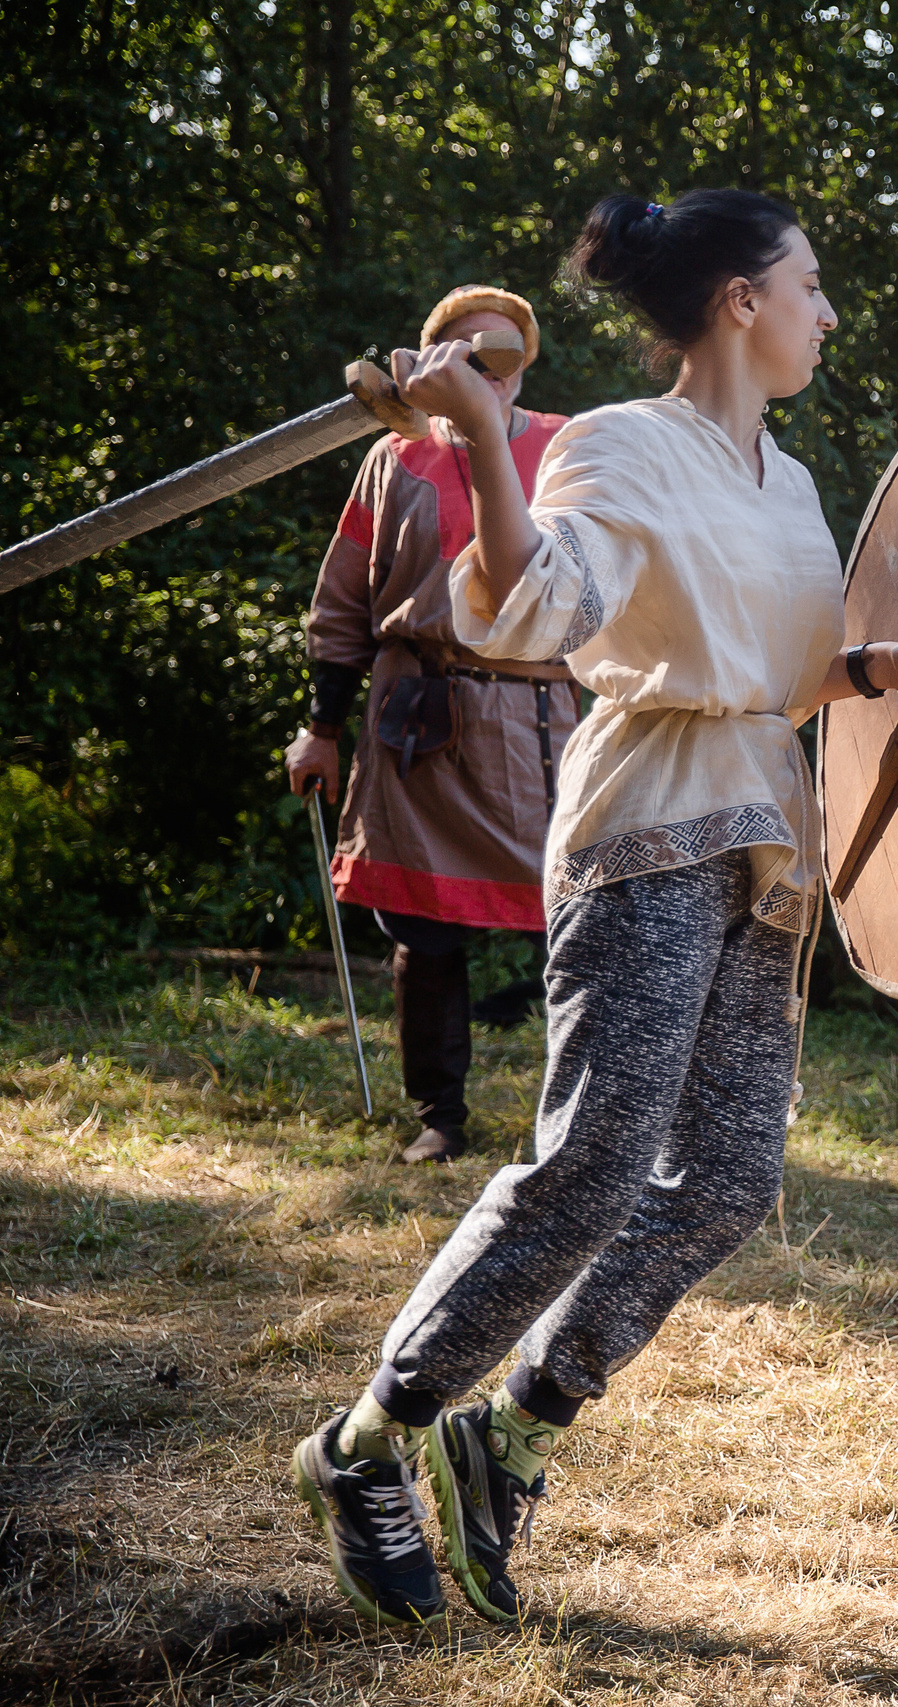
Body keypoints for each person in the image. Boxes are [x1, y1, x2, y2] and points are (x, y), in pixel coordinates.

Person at [290, 189, 898, 1628]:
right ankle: (363, 1441)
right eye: (810, 285)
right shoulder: (614, 446)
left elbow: (780, 663)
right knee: (593, 1165)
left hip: (768, 845)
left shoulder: (789, 479)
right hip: (650, 829)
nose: (826, 313)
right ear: (737, 300)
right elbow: (541, 610)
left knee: (723, 1179)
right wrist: (474, 430)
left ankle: (510, 1430)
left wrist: (875, 662)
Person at [287, 284, 572, 1165]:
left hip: (537, 718)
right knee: (423, 931)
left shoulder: (567, 447)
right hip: (417, 714)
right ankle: (440, 1117)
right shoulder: (394, 459)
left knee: (576, 920)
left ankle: (582, 1122)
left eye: (504, 354)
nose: (489, 370)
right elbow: (341, 607)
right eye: (468, 354)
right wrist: (322, 728)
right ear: (435, 363)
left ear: (523, 365)